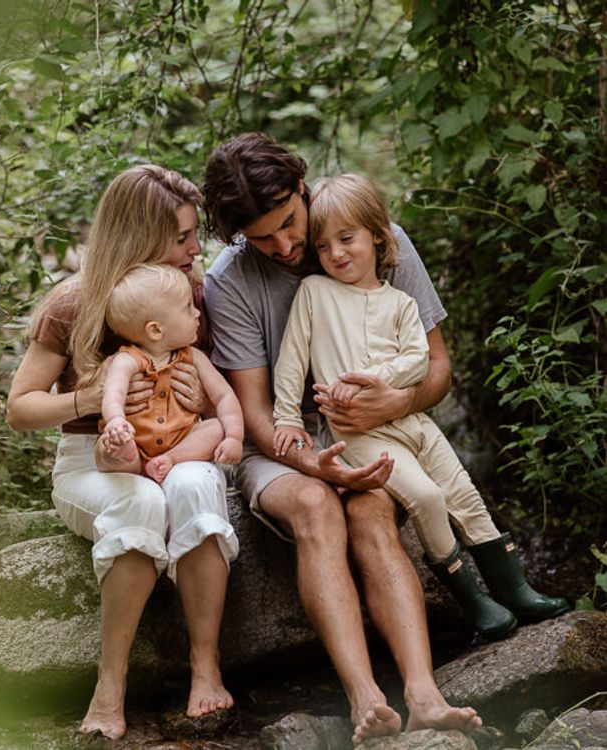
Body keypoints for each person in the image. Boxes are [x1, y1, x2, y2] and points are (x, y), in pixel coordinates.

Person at [201, 132, 482, 744]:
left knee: (375, 511)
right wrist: (316, 466)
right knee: (315, 507)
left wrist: (399, 400)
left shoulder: (372, 232)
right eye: (261, 238)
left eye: (289, 223)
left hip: (374, 428)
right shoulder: (230, 280)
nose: (284, 246)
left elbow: (436, 369)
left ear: (303, 189)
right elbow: (253, 415)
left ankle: (425, 696)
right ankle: (364, 697)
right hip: (280, 443)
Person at [272, 173, 569, 641]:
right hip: (359, 434)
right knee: (427, 497)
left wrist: (379, 382)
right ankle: (474, 601)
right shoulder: (314, 293)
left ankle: (515, 589)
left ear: (377, 235)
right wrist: (288, 416)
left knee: (463, 494)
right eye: (323, 246)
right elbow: (292, 359)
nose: (336, 254)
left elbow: (420, 359)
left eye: (347, 239)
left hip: (413, 421)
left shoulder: (402, 303)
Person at [7, 165, 239, 740]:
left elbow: (225, 402)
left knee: (191, 487)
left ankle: (205, 667)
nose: (196, 248)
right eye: (183, 237)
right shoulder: (73, 303)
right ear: (139, 237)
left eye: (195, 235)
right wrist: (88, 397)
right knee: (138, 501)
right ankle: (109, 686)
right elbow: (20, 409)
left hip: (180, 449)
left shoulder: (193, 298)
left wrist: (199, 405)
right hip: (94, 460)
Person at [97, 263, 243, 483]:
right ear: (156, 330)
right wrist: (116, 421)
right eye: (188, 307)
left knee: (214, 427)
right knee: (105, 448)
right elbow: (113, 393)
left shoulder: (194, 357)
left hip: (181, 442)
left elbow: (224, 396)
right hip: (134, 437)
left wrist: (233, 437)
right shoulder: (127, 360)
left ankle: (168, 459)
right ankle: (125, 454)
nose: (197, 313)